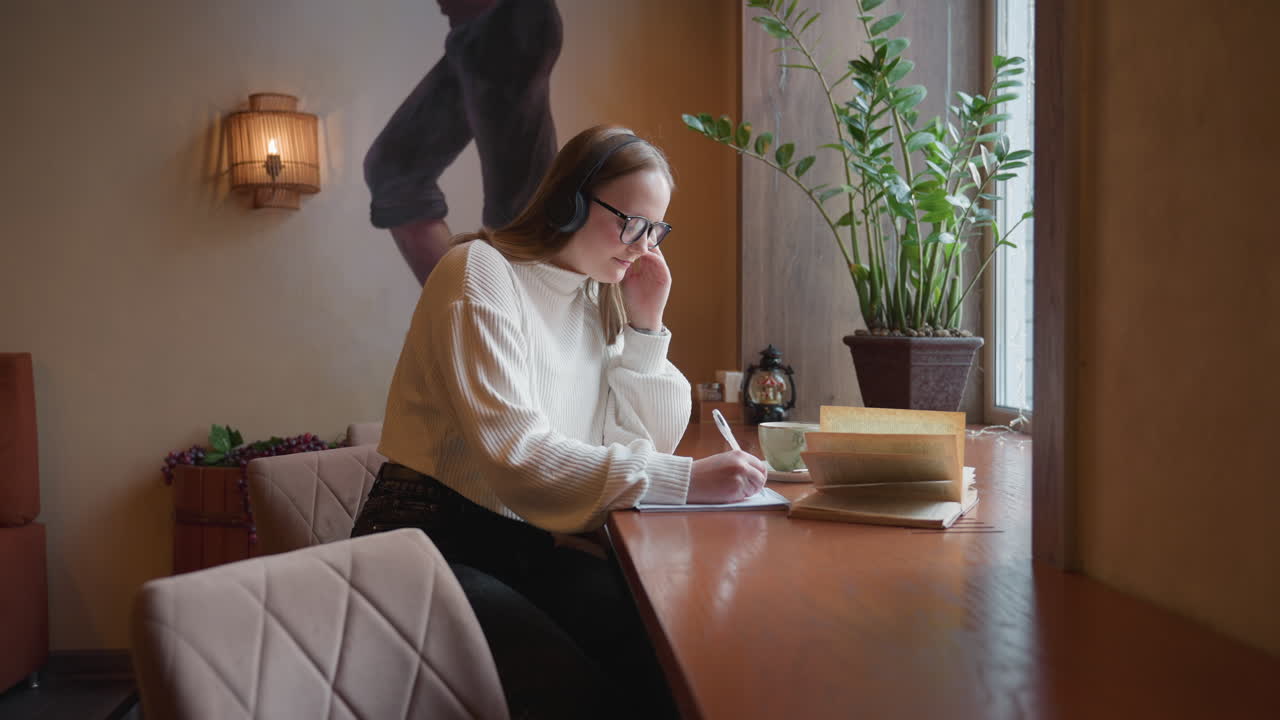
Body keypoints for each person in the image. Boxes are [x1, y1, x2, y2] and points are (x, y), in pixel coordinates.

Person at [352, 125, 768, 719]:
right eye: (631, 223)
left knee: (668, 646)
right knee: (590, 693)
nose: (642, 247)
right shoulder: (479, 272)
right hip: (423, 548)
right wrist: (685, 480)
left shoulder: (595, 298)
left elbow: (640, 441)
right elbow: (519, 456)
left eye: (655, 230)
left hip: (528, 541)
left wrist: (647, 326)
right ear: (568, 202)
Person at [363, 0, 562, 285]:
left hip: (506, 24)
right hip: (474, 31)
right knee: (392, 172)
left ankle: (495, 317)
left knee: (517, 217)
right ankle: (470, 308)